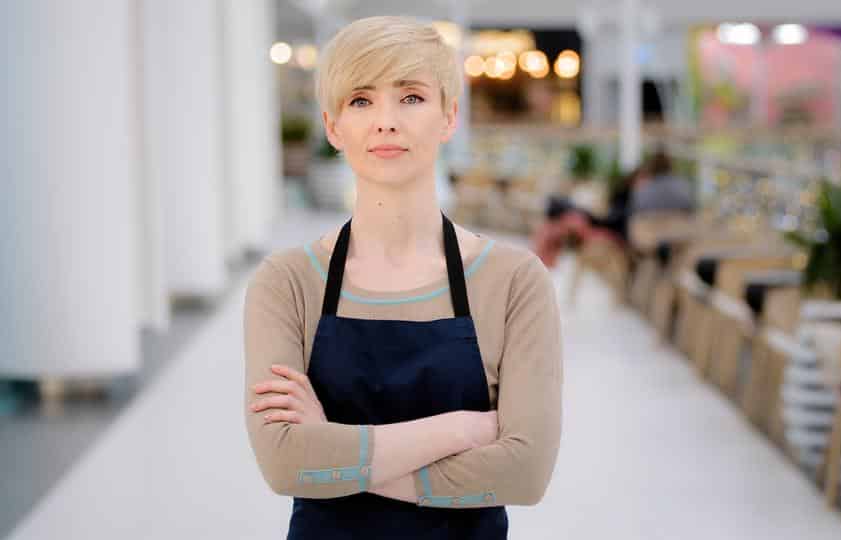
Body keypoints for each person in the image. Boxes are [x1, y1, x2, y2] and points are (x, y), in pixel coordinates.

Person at [243, 16, 563, 540]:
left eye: (411, 97)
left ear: (449, 116)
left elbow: (525, 475)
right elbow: (284, 464)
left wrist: (332, 448)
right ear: (332, 125)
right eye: (361, 100)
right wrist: (457, 429)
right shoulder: (287, 284)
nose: (386, 121)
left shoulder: (514, 282)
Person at [532, 147, 694, 268]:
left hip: (633, 234)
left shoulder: (647, 188)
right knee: (578, 215)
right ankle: (557, 209)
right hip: (667, 238)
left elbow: (632, 211)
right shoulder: (683, 188)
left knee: (579, 215)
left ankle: (555, 208)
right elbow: (691, 211)